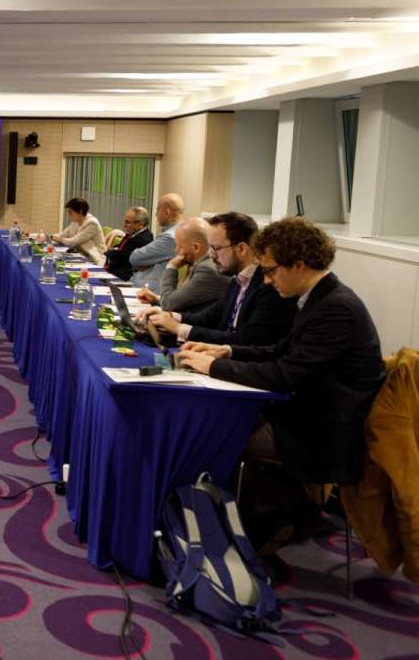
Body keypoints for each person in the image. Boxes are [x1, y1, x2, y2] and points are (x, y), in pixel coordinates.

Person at [177, 217, 385, 549]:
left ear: (298, 264)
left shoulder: (336, 308)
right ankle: (234, 517)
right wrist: (227, 350)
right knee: (217, 420)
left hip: (320, 433)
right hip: (304, 413)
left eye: (271, 270)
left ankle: (262, 519)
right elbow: (279, 350)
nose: (267, 280)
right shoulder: (319, 298)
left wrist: (214, 366)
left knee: (217, 430)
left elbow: (283, 375)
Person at [146, 212, 297, 346]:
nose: (211, 255)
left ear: (241, 249)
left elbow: (246, 340)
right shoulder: (238, 279)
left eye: (216, 248)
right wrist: (172, 316)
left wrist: (179, 328)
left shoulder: (270, 286)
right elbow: (210, 317)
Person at [135, 216, 229, 313]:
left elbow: (168, 305)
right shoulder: (201, 263)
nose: (176, 250)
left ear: (196, 247)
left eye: (180, 246)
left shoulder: (207, 269)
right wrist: (156, 298)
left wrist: (171, 266)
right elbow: (179, 301)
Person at [128, 193, 183, 294]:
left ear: (167, 212)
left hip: (149, 292)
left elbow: (134, 258)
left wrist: (148, 262)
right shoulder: (178, 233)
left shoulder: (169, 237)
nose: (156, 214)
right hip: (146, 287)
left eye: (158, 210)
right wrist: (151, 262)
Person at [49, 197, 105, 264]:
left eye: (70, 212)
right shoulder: (75, 221)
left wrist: (57, 238)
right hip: (81, 255)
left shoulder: (92, 223)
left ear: (80, 211)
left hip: (94, 259)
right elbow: (62, 235)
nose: (68, 215)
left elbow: (74, 241)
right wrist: (50, 237)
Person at [103, 206, 153, 280]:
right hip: (115, 272)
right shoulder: (133, 234)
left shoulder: (142, 239)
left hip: (124, 277)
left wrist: (109, 251)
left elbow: (121, 256)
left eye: (127, 222)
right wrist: (113, 250)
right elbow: (120, 247)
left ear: (140, 225)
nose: (124, 226)